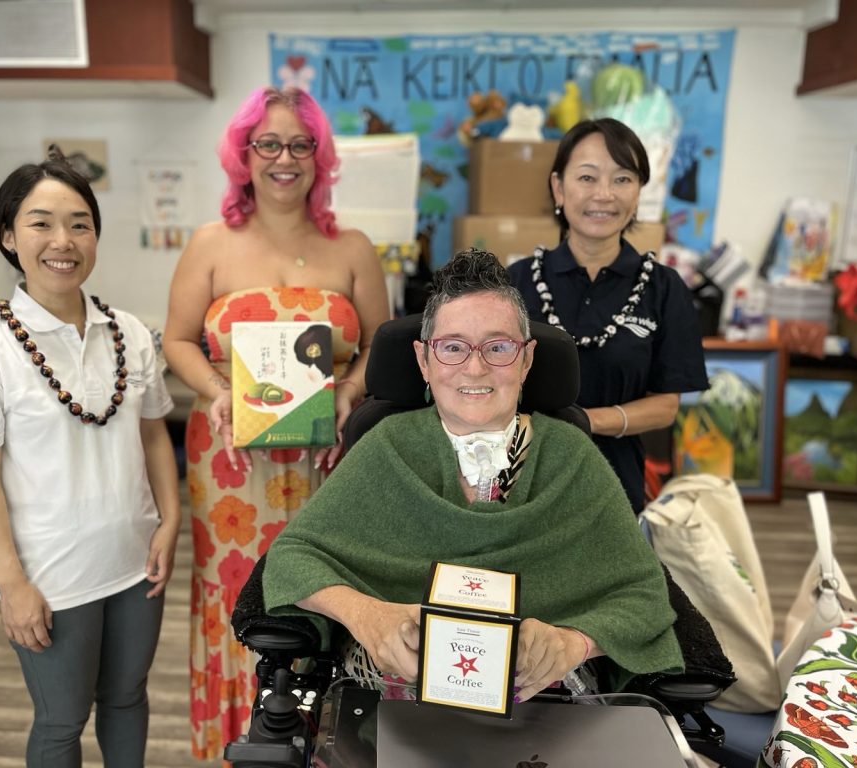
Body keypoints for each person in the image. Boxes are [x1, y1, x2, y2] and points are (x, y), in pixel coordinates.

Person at [263, 249, 683, 703]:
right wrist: (366, 614)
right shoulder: (388, 446)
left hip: (546, 704)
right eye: (454, 347)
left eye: (499, 347)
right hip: (392, 698)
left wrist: (575, 642)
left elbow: (643, 594)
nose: (476, 367)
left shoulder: (571, 455)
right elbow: (291, 557)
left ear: (526, 360)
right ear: (424, 361)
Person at [162, 86, 390, 758]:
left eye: (300, 144)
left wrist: (350, 388)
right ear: (243, 154)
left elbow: (381, 341)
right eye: (268, 143)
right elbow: (176, 340)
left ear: (320, 157)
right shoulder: (210, 244)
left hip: (326, 457)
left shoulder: (351, 247)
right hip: (233, 460)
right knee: (238, 590)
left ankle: (318, 742)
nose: (284, 157)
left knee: (322, 584)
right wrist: (216, 389)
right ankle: (239, 740)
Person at [0, 148, 181, 768]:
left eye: (79, 223)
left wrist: (170, 521)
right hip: (50, 576)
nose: (62, 240)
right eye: (41, 222)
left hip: (134, 563)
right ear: (8, 236)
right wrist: (11, 584)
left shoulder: (127, 331)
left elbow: (155, 434)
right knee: (61, 721)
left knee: (127, 697)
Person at [507, 118, 709, 513]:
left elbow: (666, 405)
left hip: (614, 486)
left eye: (622, 179)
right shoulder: (515, 283)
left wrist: (586, 422)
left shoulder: (663, 289)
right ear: (558, 188)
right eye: (587, 177)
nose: (604, 194)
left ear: (638, 193)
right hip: (518, 480)